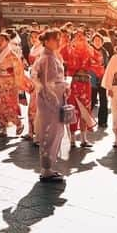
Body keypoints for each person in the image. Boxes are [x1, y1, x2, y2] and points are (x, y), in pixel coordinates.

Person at [30, 30, 69, 181]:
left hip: (52, 98)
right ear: (46, 41)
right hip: (51, 100)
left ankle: (48, 167)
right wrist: (64, 86)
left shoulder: (48, 56)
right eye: (55, 39)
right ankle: (46, 169)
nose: (58, 42)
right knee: (50, 133)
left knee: (52, 132)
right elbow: (49, 83)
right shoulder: (47, 59)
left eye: (59, 39)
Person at [62, 31, 103, 147]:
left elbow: (98, 60)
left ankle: (84, 139)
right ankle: (73, 139)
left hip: (85, 84)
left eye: (82, 37)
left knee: (85, 110)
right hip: (74, 83)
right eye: (77, 37)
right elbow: (62, 59)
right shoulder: (69, 50)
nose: (80, 39)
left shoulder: (89, 50)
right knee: (73, 110)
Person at [0, 32, 28, 137]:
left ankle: (18, 124)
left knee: (9, 105)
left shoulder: (12, 54)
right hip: (0, 81)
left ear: (7, 41)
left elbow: (19, 68)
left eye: (2, 39)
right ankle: (3, 129)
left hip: (10, 83)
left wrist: (17, 80)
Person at [90, 34, 111, 128]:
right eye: (96, 40)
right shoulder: (89, 51)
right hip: (91, 79)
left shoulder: (105, 52)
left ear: (102, 42)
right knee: (91, 101)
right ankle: (87, 121)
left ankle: (103, 121)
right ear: (92, 41)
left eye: (99, 40)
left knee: (103, 101)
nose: (97, 42)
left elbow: (107, 66)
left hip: (102, 79)